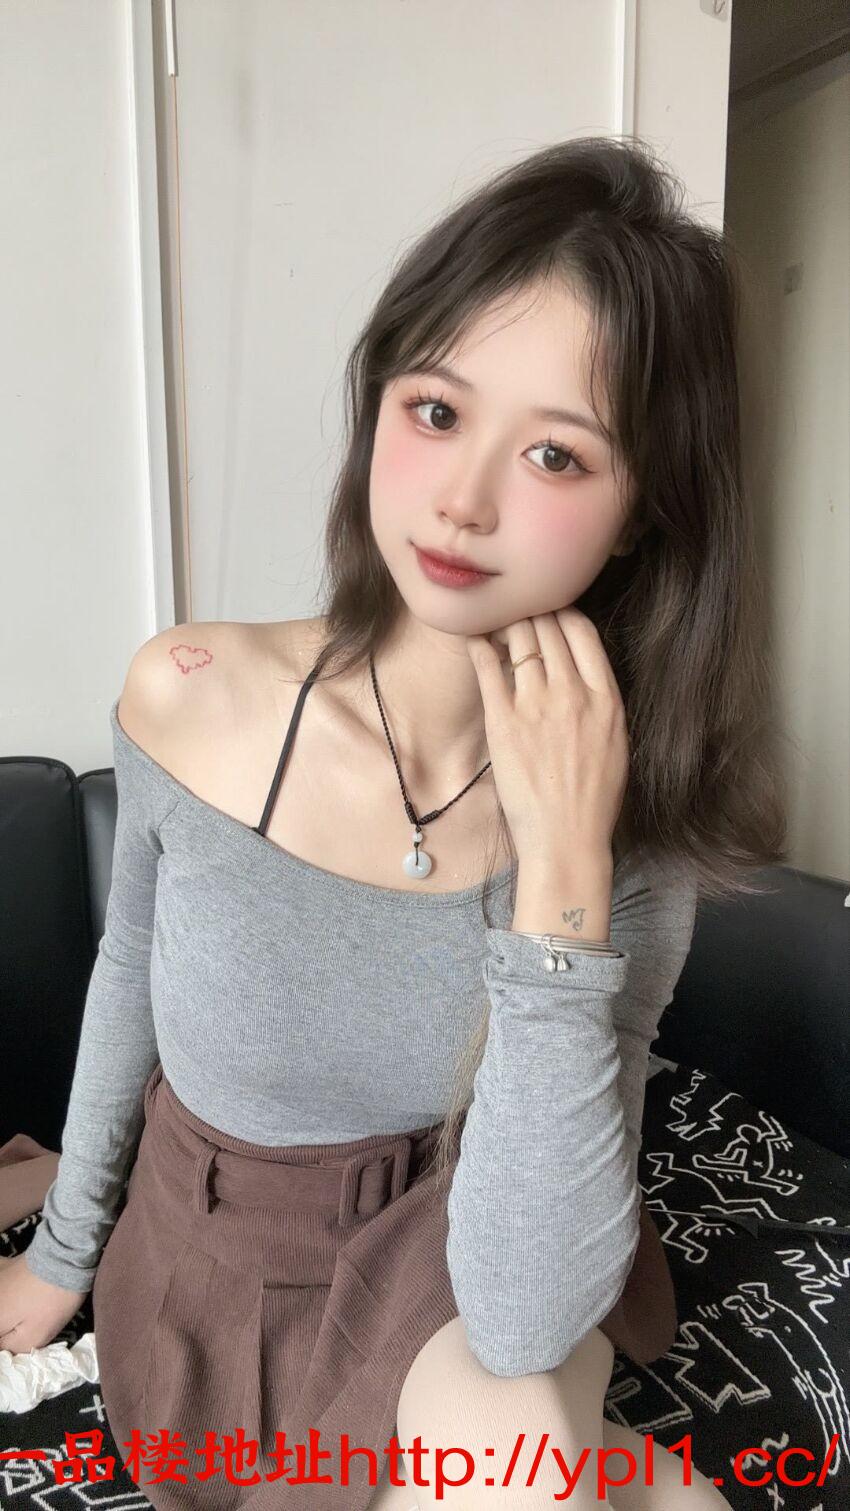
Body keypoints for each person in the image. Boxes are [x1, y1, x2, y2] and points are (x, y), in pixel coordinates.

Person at [0, 135, 787, 1509]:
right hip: (217, 1268)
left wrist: (562, 873)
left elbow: (523, 1311)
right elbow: (128, 970)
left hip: (469, 1248)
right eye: (434, 410)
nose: (463, 501)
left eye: (554, 453)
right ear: (380, 404)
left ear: (641, 514)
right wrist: (64, 1255)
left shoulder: (629, 827)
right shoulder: (193, 693)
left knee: (511, 1453)